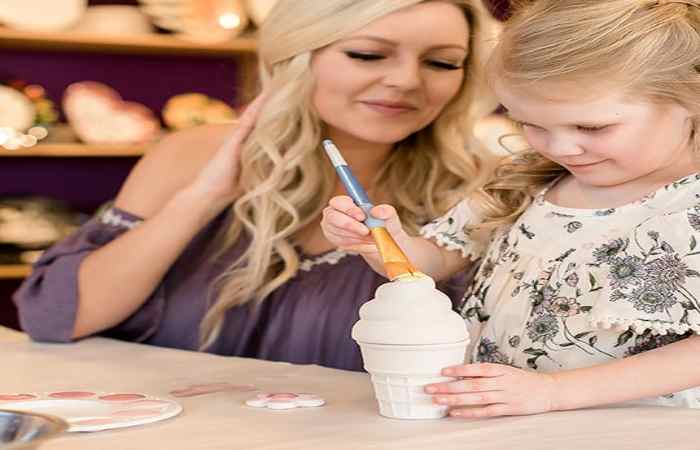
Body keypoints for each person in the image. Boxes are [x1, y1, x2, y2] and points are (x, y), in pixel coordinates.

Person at [13, 0, 499, 372]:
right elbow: (57, 318)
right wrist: (201, 199)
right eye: (367, 54)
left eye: (442, 63)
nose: (407, 80)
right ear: (297, 55)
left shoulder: (481, 191)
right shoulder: (193, 154)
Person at [322, 0, 700, 413]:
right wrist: (384, 242)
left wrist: (554, 392)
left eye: (591, 127)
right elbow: (432, 263)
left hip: (642, 430)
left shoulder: (689, 206)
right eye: (531, 124)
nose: (560, 148)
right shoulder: (525, 181)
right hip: (510, 420)